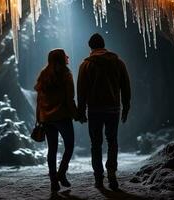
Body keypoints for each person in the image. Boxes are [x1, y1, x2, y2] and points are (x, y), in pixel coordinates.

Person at [77, 33, 131, 190]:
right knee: (112, 141)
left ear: (91, 47)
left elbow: (81, 90)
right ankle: (112, 172)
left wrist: (81, 111)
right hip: (113, 109)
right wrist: (126, 106)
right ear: (103, 45)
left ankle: (98, 177)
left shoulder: (85, 65)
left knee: (96, 143)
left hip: (94, 110)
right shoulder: (118, 62)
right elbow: (125, 86)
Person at [34, 49, 77, 192]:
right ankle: (61, 173)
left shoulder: (43, 75)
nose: (67, 57)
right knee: (69, 146)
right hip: (62, 117)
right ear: (60, 58)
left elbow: (39, 100)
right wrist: (76, 114)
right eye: (65, 55)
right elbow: (69, 98)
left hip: (46, 118)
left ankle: (54, 181)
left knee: (51, 149)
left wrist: (39, 118)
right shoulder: (65, 74)